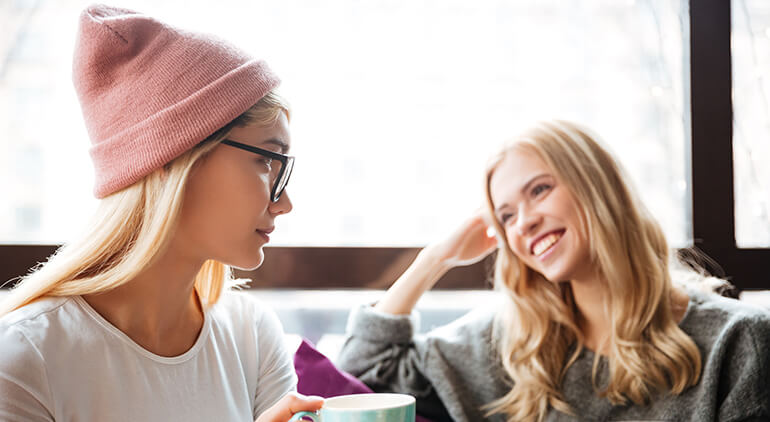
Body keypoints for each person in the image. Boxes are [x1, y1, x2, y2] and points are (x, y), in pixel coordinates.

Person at [0, 5, 322, 421]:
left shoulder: (252, 335)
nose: (285, 202)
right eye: (267, 161)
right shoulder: (25, 359)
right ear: (175, 160)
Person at [337, 120, 770, 422]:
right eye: (505, 216)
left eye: (539, 190)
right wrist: (435, 260)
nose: (523, 221)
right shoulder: (513, 346)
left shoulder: (737, 341)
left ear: (597, 185)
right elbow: (362, 373)